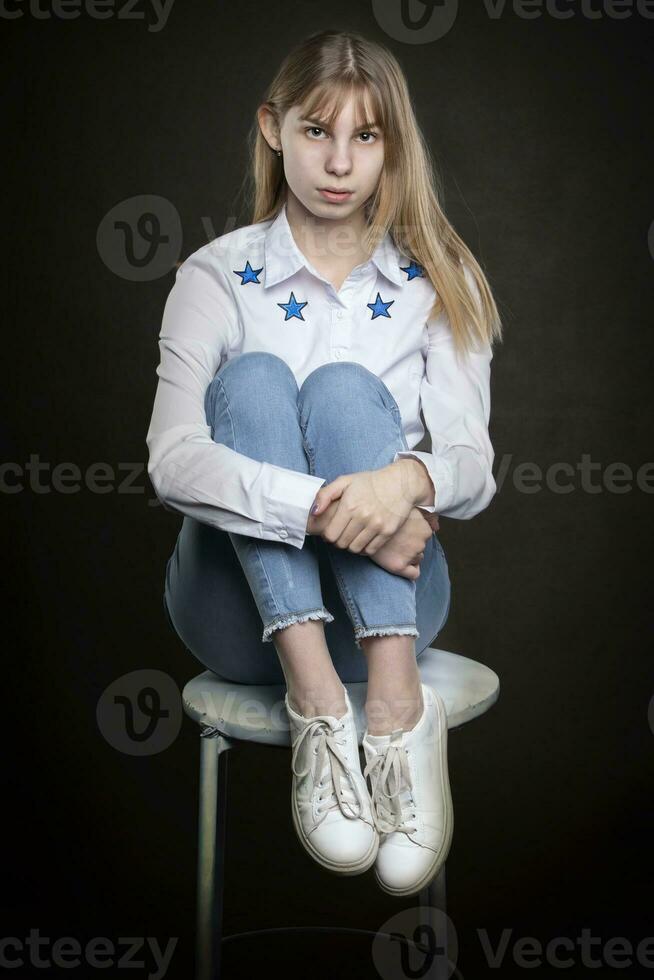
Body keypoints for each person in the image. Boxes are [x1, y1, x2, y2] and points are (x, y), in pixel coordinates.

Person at [146, 29, 502, 897]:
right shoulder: (216, 274)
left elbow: (471, 465)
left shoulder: (437, 279)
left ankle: (394, 711)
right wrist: (326, 508)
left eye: (366, 136)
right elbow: (170, 460)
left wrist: (402, 482)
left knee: (343, 389)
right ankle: (315, 705)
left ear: (392, 145)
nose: (339, 162)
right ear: (274, 128)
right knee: (258, 380)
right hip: (239, 619)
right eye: (316, 131)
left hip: (394, 611)